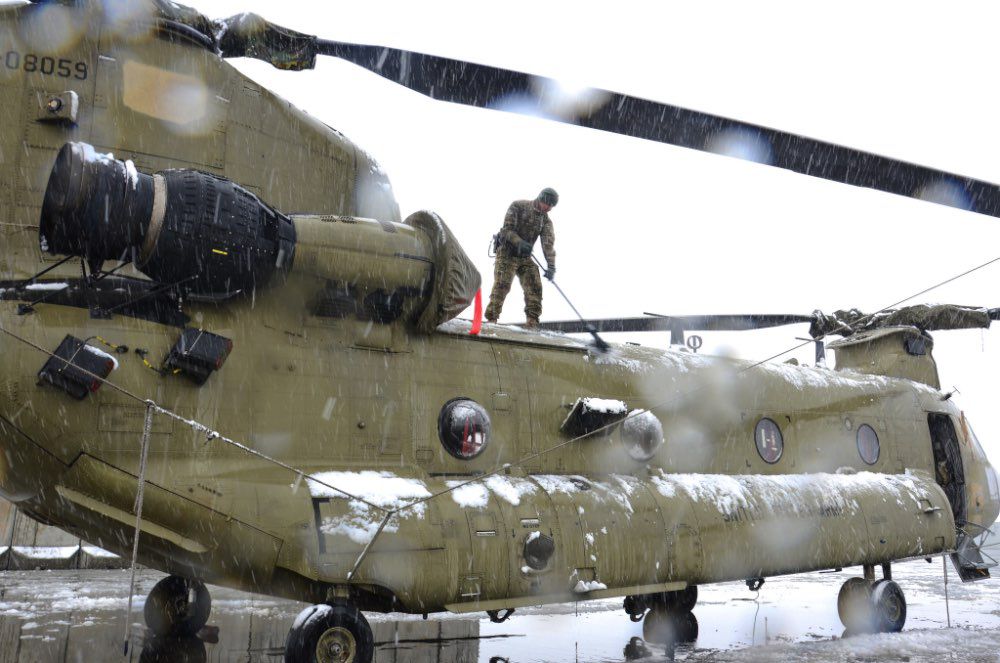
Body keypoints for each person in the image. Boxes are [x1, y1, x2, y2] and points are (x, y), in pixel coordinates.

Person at [485, 188, 558, 328]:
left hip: (525, 257)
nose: (548, 208)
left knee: (535, 285)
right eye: (547, 204)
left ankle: (532, 322)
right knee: (502, 285)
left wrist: (551, 266)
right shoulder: (518, 206)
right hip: (507, 252)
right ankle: (491, 319)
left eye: (551, 206)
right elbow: (507, 230)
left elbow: (548, 244)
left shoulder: (546, 221)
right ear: (541, 199)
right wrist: (519, 242)